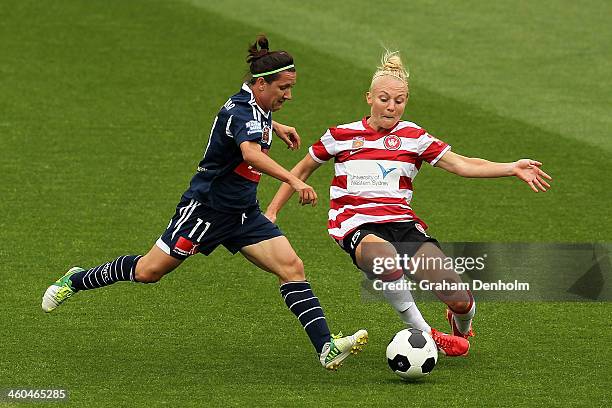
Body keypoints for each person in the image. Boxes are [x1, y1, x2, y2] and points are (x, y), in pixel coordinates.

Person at [42, 35, 367, 371]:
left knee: (291, 267)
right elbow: (250, 154)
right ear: (260, 84)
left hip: (243, 214)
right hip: (205, 211)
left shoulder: (257, 108)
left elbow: (255, 125)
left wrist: (277, 127)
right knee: (148, 271)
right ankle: (76, 279)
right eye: (283, 88)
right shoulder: (242, 113)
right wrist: (294, 179)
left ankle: (325, 347)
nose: (289, 94)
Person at [265, 50, 552, 357]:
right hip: (356, 224)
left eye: (399, 101)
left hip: (403, 225)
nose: (391, 107)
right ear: (369, 98)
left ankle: (460, 324)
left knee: (461, 300)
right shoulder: (341, 135)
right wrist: (272, 211)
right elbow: (301, 170)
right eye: (384, 99)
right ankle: (427, 333)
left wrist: (511, 167)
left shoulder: (413, 136)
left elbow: (462, 164)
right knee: (382, 256)